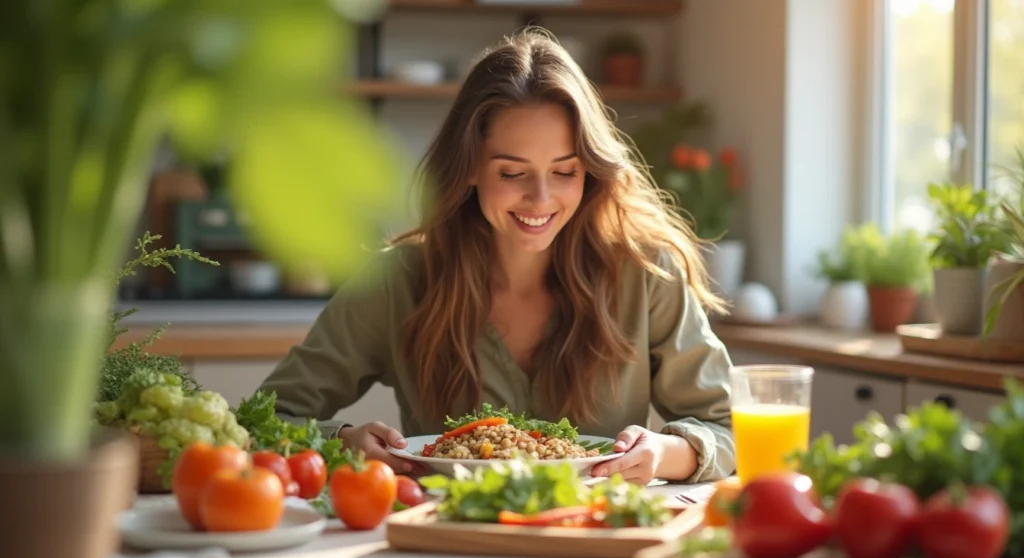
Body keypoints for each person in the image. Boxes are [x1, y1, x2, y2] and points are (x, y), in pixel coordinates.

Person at [259, 28, 736, 485]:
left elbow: (729, 429)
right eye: (512, 173)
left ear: (589, 171)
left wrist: (664, 453)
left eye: (565, 171)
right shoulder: (397, 279)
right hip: (442, 549)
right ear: (468, 167)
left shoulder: (645, 271)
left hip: (595, 545)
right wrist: (342, 443)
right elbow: (266, 419)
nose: (541, 199)